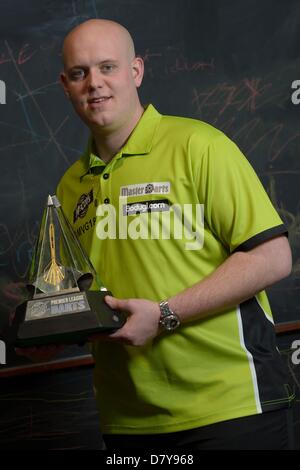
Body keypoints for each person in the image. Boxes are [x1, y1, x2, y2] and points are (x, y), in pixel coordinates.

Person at [45, 19, 297, 449]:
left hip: (231, 408)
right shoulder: (70, 188)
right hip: (128, 421)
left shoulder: (198, 146)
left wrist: (164, 314)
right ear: (65, 85)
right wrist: (43, 336)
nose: (94, 84)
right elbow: (81, 301)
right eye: (79, 73)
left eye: (108, 67)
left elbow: (272, 257)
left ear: (136, 71)